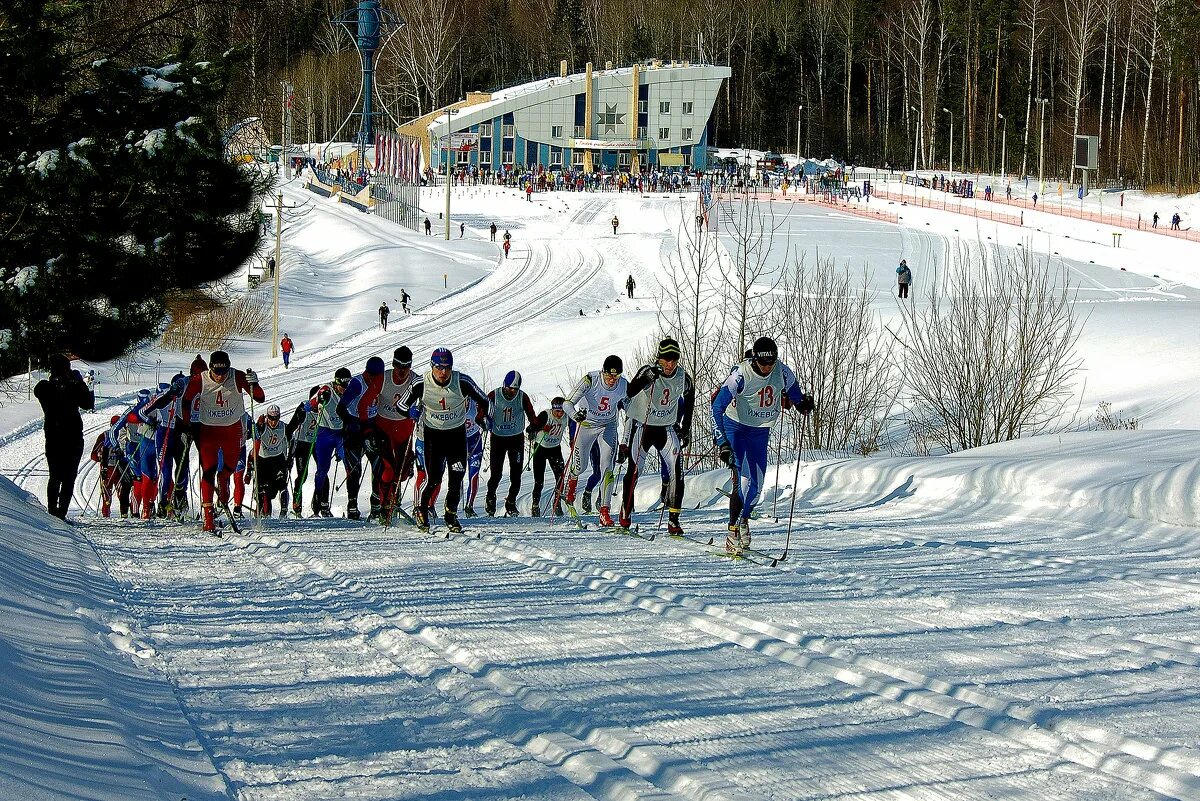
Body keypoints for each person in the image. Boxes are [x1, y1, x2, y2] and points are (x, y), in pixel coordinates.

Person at [712, 337, 814, 556]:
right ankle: (732, 532)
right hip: (736, 428)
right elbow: (716, 406)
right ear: (755, 359)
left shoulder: (783, 372)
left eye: (771, 362)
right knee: (743, 481)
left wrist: (804, 405)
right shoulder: (741, 373)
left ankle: (743, 521)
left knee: (757, 488)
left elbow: (797, 399)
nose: (767, 367)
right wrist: (722, 442)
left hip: (760, 432)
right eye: (763, 363)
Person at [400, 347, 490, 532]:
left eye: (447, 368)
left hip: (456, 436)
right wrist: (410, 412)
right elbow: (401, 404)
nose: (443, 372)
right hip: (433, 436)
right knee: (433, 478)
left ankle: (450, 514)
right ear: (432, 366)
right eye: (439, 367)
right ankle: (422, 511)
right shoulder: (421, 383)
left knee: (456, 478)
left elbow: (485, 400)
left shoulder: (461, 381)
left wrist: (482, 416)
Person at [179, 350, 264, 532]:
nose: (220, 376)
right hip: (208, 429)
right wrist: (185, 427)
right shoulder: (200, 380)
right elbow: (186, 401)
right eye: (216, 372)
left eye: (223, 372)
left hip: (232, 430)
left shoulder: (236, 376)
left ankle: (223, 482)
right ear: (210, 368)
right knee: (208, 469)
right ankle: (208, 515)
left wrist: (254, 382)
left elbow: (259, 397)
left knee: (229, 468)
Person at [619, 338, 694, 534]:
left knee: (677, 471)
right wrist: (647, 379)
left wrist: (685, 427)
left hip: (666, 428)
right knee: (635, 471)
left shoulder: (683, 377)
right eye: (666, 359)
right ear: (659, 359)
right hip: (642, 427)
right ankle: (626, 513)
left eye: (674, 359)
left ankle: (674, 519)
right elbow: (630, 391)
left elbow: (690, 396)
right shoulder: (648, 370)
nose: (670, 364)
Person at [562, 355, 629, 526]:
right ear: (602, 372)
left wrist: (624, 442)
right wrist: (575, 416)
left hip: (608, 426)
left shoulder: (623, 385)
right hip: (587, 425)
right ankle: (570, 485)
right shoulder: (590, 380)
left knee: (607, 467)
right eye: (609, 375)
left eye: (616, 376)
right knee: (580, 466)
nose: (612, 380)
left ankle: (604, 511)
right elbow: (567, 403)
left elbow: (631, 414)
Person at [35, 354, 95, 519]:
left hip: (53, 436)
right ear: (66, 370)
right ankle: (61, 513)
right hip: (72, 436)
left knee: (55, 475)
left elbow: (39, 390)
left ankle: (52, 511)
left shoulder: (45, 387)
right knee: (68, 477)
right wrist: (79, 383)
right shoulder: (72, 386)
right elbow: (88, 403)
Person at [369, 347, 418, 520]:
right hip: (384, 429)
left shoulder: (416, 380)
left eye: (406, 366)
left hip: (404, 431)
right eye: (398, 366)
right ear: (393, 364)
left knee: (402, 473)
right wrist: (367, 428)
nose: (402, 370)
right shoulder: (383, 378)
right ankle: (384, 505)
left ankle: (393, 499)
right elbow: (366, 401)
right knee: (388, 469)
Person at [335, 357, 386, 520]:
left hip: (373, 427)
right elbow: (340, 408)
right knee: (354, 470)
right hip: (355, 429)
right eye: (371, 375)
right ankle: (352, 504)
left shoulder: (382, 382)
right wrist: (352, 425)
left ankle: (376, 504)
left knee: (378, 467)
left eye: (377, 375)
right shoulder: (357, 383)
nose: (374, 378)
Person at [484, 370, 537, 517]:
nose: (512, 392)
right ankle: (490, 496)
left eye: (515, 389)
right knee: (496, 474)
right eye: (509, 388)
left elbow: (532, 415)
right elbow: (481, 411)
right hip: (498, 438)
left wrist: (533, 427)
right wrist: (483, 420)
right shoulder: (494, 395)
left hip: (516, 439)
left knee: (516, 474)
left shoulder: (522, 397)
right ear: (504, 385)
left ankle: (511, 502)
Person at [311, 367, 352, 517]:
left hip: (340, 434)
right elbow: (310, 405)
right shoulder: (326, 389)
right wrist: (319, 400)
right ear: (336, 383)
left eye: (347, 386)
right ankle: (318, 496)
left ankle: (352, 504)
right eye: (342, 386)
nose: (344, 390)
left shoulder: (349, 391)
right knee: (323, 469)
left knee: (350, 465)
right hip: (324, 433)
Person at [527, 397, 568, 517]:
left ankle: (557, 504)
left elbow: (574, 427)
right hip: (541, 448)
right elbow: (529, 429)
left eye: (562, 412)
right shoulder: (545, 415)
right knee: (539, 481)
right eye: (557, 412)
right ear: (553, 409)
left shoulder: (566, 416)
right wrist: (541, 428)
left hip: (555, 449)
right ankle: (535, 505)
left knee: (560, 478)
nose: (560, 414)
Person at [247, 404, 291, 518]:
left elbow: (292, 438)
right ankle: (262, 514)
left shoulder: (283, 427)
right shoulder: (262, 427)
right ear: (267, 417)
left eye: (276, 418)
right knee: (262, 490)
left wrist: (290, 458)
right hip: (263, 461)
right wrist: (248, 470)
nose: (273, 422)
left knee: (281, 486)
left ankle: (283, 513)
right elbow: (254, 440)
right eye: (271, 418)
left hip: (277, 460)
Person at [285, 386, 321, 515]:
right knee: (302, 474)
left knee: (322, 473)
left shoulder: (325, 408)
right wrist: (289, 449)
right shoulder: (304, 408)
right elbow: (289, 429)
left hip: (317, 444)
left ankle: (320, 505)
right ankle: (297, 502)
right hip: (302, 443)